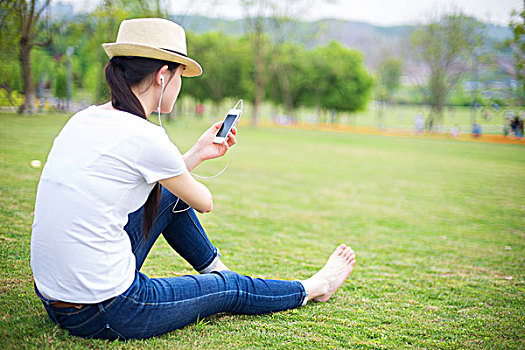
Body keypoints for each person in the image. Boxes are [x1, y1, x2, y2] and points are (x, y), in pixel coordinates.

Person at [30, 18, 356, 340]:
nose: (180, 83)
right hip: (105, 309)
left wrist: (197, 154)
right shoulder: (147, 136)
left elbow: (159, 181)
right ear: (162, 76)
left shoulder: (85, 119)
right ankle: (314, 287)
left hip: (54, 296)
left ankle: (219, 274)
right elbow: (204, 201)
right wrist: (186, 161)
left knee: (171, 197)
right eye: (180, 75)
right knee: (231, 286)